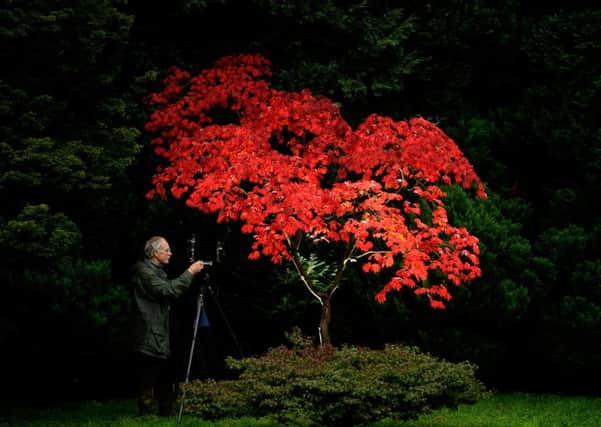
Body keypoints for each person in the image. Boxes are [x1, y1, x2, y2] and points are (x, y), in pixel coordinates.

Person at [130, 235, 205, 416]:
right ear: (155, 253)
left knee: (165, 371)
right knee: (149, 373)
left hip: (159, 330)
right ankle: (147, 415)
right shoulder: (144, 272)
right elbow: (168, 290)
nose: (170, 254)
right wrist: (190, 272)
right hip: (149, 331)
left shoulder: (154, 271)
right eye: (167, 250)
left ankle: (166, 412)